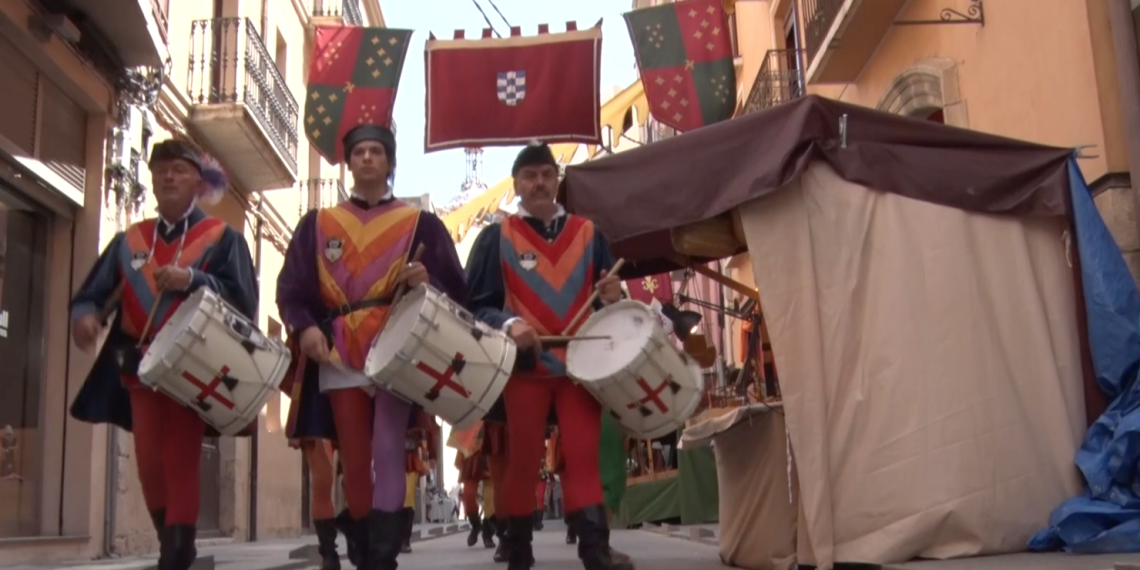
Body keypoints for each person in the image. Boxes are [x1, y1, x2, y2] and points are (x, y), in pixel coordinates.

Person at [276, 124, 467, 570]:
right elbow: (293, 290)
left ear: (389, 162)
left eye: (376, 151)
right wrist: (304, 327)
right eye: (359, 151)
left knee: (387, 446)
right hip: (338, 351)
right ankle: (363, 550)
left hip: (396, 345)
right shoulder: (318, 225)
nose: (366, 158)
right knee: (355, 457)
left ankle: (382, 558)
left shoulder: (421, 224)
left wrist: (428, 281)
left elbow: (459, 291)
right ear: (348, 161)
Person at [69, 140, 258, 570]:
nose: (168, 177)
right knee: (149, 464)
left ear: (198, 180)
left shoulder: (222, 239)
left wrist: (193, 278)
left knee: (180, 459)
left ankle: (173, 556)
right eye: (161, 171)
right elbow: (91, 296)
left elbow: (244, 300)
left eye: (178, 169)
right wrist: (85, 318)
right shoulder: (128, 241)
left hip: (196, 365)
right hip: (140, 367)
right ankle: (177, 545)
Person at [465, 142, 633, 570]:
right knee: (521, 461)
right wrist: (510, 324)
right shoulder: (494, 238)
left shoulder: (590, 235)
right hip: (526, 368)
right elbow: (477, 305)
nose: (538, 182)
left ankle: (595, 552)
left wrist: (615, 296)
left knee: (581, 457)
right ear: (516, 185)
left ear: (556, 181)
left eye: (546, 174)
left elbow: (608, 303)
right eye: (529, 176)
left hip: (580, 367)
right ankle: (519, 552)